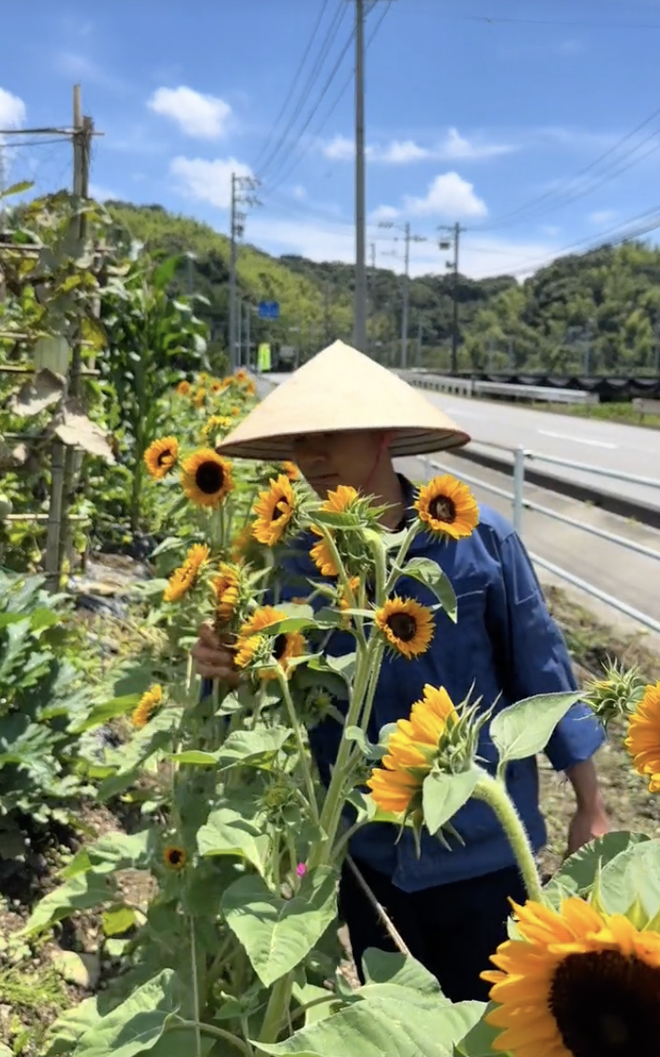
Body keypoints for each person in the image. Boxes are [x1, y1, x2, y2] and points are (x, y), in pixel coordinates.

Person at [192, 340, 609, 1002]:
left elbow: (544, 671)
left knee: (492, 1022)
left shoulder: (478, 539)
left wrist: (590, 803)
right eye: (300, 440)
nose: (312, 456)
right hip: (369, 853)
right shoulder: (296, 562)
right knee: (397, 1023)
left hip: (483, 846)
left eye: (330, 434)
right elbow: (281, 679)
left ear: (383, 435)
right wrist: (225, 665)